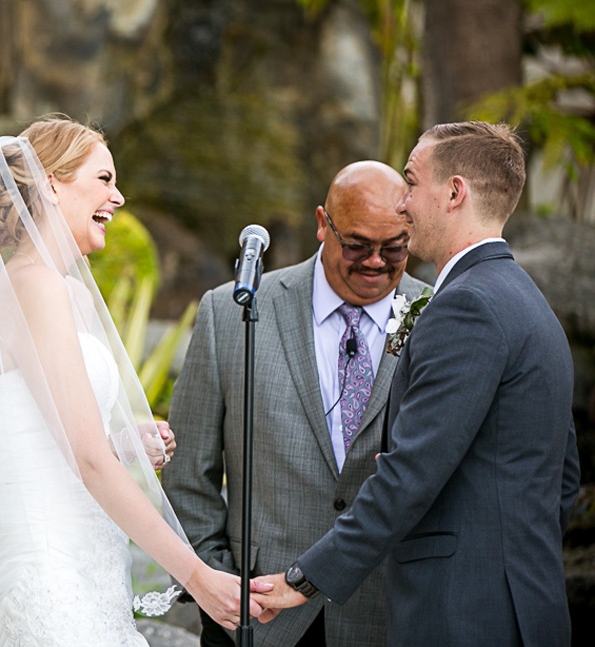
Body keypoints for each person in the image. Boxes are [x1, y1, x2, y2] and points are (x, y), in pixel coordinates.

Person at [252, 121, 581, 647]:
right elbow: (562, 476)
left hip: (463, 614)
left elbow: (409, 475)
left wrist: (303, 579)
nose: (402, 203)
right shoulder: (527, 302)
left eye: (411, 181)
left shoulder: (467, 307)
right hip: (523, 606)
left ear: (454, 193)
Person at [0, 115, 265, 646]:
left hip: (89, 571)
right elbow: (86, 459)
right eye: (104, 179)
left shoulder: (57, 290)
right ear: (51, 184)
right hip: (47, 573)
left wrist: (123, 444)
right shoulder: (34, 285)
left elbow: (61, 440)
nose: (118, 198)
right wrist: (198, 576)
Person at [163, 160, 429, 647]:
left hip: (387, 614)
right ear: (322, 223)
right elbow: (187, 474)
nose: (375, 261)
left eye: (394, 247)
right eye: (357, 245)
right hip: (257, 615)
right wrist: (215, 582)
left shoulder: (435, 315)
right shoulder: (233, 311)